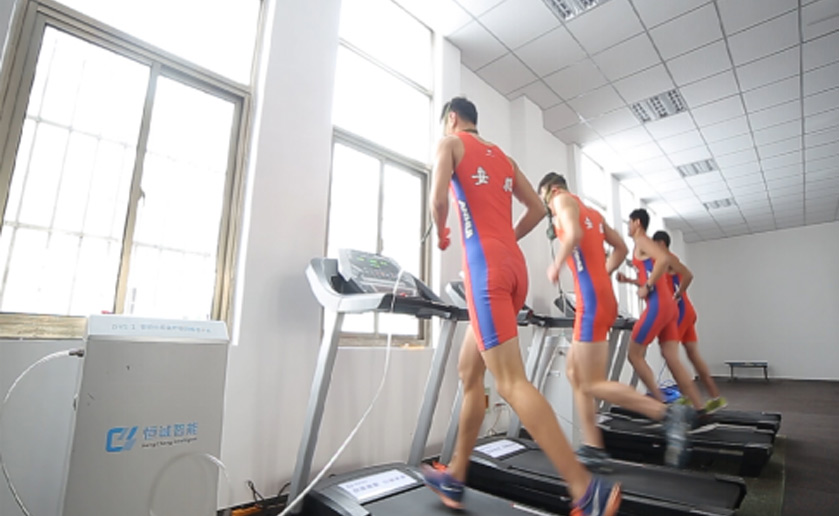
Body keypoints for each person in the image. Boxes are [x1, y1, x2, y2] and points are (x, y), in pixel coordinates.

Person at [421, 97, 621, 516]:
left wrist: (441, 233)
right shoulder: (504, 159)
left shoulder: (449, 144)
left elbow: (438, 200)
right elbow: (537, 208)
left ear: (452, 118)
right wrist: (505, 240)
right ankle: (456, 474)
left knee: (511, 383)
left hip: (486, 271)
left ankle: (586, 490)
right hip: (514, 270)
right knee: (469, 372)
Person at [538, 173, 691, 469]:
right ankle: (593, 446)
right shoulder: (593, 213)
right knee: (574, 372)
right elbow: (620, 247)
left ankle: (668, 414)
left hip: (591, 302)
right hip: (601, 297)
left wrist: (556, 265)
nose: (547, 205)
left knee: (592, 382)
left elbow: (574, 234)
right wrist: (601, 274)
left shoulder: (561, 199)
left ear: (552, 189)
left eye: (544, 197)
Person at [616, 209, 704, 434]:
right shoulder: (642, 247)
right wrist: (631, 281)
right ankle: (700, 409)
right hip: (669, 308)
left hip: (658, 306)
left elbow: (664, 260)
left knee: (634, 355)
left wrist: (647, 286)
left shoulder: (642, 241)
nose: (628, 226)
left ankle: (661, 409)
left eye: (629, 222)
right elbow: (652, 272)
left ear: (637, 223)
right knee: (672, 358)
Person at [652, 230, 727, 413]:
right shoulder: (669, 259)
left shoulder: (667, 258)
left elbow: (688, 275)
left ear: (661, 244)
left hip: (679, 312)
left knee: (669, 355)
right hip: (687, 311)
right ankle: (716, 399)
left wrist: (676, 295)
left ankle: (692, 401)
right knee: (693, 355)